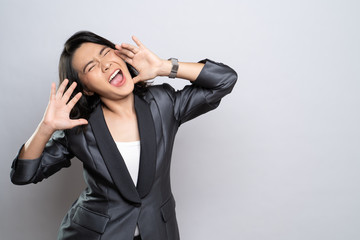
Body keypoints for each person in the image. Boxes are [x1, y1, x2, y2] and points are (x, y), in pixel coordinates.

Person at [10, 31, 237, 240]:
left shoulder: (163, 104)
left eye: (106, 52)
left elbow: (224, 80)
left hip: (158, 231)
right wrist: (46, 127)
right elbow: (24, 175)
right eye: (91, 67)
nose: (106, 65)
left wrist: (164, 66)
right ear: (86, 88)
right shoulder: (78, 128)